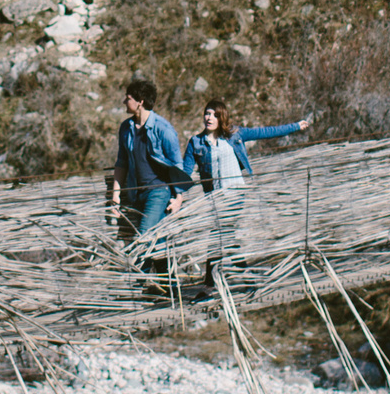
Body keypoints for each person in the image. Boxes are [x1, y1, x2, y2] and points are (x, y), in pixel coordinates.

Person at [180, 103, 312, 277]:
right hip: (214, 198)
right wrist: (176, 193)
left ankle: (210, 284)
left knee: (217, 236)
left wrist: (295, 126)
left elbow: (265, 132)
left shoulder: (235, 134)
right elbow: (185, 173)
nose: (209, 118)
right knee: (226, 237)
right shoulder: (196, 143)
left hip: (234, 194)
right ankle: (247, 274)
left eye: (215, 115)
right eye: (207, 114)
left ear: (222, 118)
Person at [106, 79, 192, 252]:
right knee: (158, 244)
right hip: (136, 194)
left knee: (143, 239)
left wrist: (179, 198)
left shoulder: (163, 129)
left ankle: (140, 279)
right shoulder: (126, 128)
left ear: (140, 102)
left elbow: (177, 164)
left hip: (158, 191)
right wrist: (116, 195)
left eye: (128, 98)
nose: (124, 101)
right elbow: (121, 163)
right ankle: (167, 278)